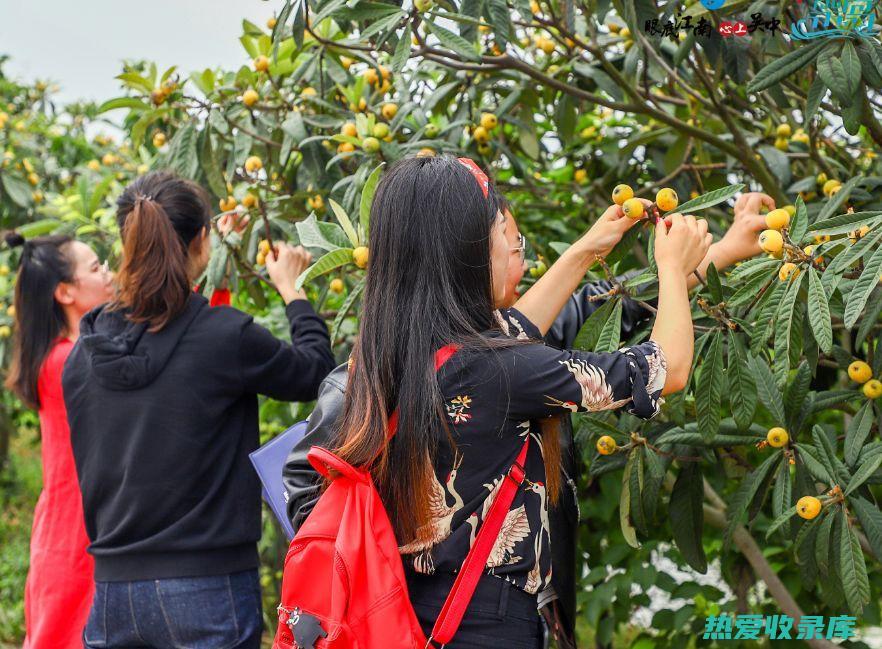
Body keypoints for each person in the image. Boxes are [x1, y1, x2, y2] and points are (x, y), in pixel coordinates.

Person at [283, 183, 773, 647]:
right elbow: (666, 369)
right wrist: (671, 265)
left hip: (401, 603)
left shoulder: (391, 353)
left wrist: (587, 250)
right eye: (508, 239)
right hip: (481, 619)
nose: (517, 252)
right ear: (468, 256)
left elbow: (521, 327)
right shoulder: (498, 368)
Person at [62, 170, 336, 649]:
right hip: (209, 582)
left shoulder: (83, 354)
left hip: (112, 591)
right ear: (202, 242)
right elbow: (316, 372)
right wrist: (293, 290)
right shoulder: (224, 337)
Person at [4, 232, 115, 649]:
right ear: (65, 292)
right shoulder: (69, 360)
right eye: (95, 267)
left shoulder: (62, 353)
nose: (107, 273)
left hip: (69, 533)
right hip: (75, 542)